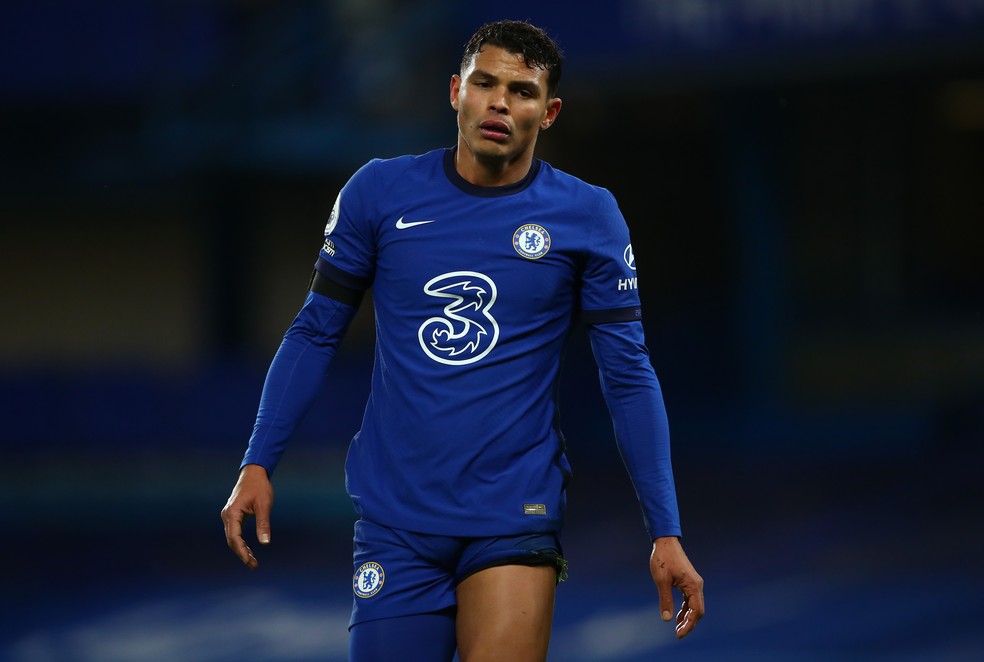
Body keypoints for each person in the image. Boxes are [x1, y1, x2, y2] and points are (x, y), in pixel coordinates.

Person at [221, 19, 704, 661]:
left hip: (513, 515)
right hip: (396, 522)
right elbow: (315, 330)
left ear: (550, 111)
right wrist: (258, 460)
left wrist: (664, 530)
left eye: (522, 91)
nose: (500, 102)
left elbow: (628, 375)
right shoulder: (378, 193)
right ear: (456, 91)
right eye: (485, 83)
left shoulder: (587, 215)